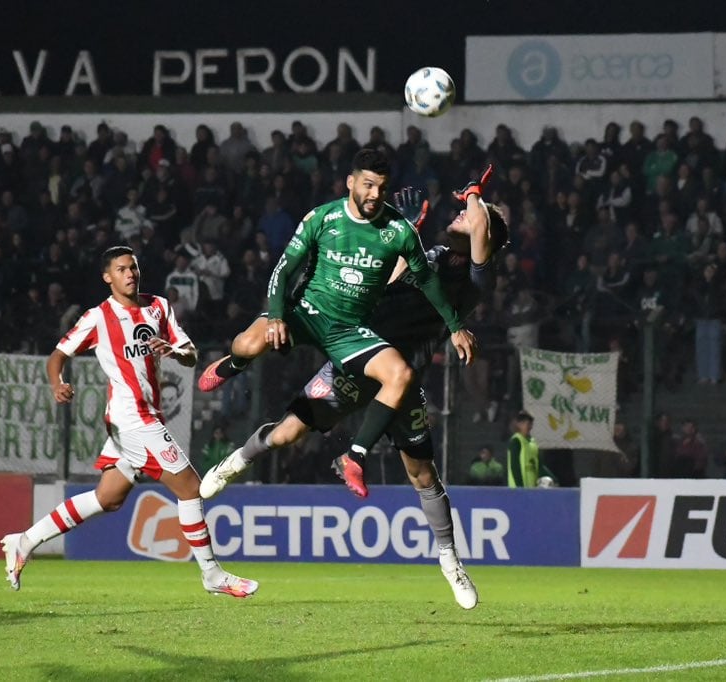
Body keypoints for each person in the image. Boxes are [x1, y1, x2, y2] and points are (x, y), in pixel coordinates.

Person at [198, 181, 509, 610]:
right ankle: (236, 461)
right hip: (361, 357)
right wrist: (407, 232)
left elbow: (478, 224)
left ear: (488, 237)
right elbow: (387, 281)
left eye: (478, 219)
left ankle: (450, 561)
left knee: (423, 476)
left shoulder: (476, 275)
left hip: (402, 379)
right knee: (288, 434)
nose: (463, 215)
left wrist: (475, 194)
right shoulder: (428, 254)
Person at [196, 149, 476, 497]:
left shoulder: (399, 231)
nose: (375, 194)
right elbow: (284, 270)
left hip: (348, 331)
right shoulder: (322, 218)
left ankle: (349, 457)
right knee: (248, 345)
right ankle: (234, 363)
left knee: (400, 375)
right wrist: (278, 316)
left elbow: (428, 281)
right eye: (369, 185)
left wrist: (454, 325)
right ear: (350, 183)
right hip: (304, 313)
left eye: (382, 188)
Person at [0, 246, 257, 599]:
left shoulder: (159, 307)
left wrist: (173, 350)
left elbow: (191, 354)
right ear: (108, 276)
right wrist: (57, 383)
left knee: (108, 498)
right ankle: (211, 574)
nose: (130, 274)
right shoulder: (98, 317)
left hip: (144, 417)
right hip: (131, 419)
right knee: (190, 488)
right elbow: (58, 355)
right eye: (121, 269)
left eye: (133, 267)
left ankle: (24, 540)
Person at [506, 411, 547, 488]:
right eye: (527, 424)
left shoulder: (533, 443)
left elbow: (539, 465)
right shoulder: (516, 441)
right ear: (519, 424)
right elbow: (515, 466)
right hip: (518, 488)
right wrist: (520, 488)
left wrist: (551, 477)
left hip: (532, 488)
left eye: (531, 424)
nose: (530, 427)